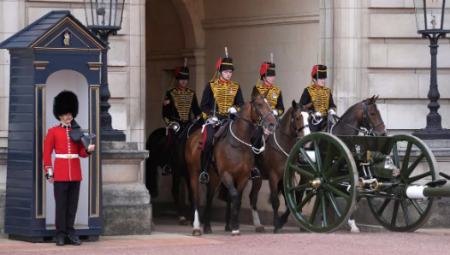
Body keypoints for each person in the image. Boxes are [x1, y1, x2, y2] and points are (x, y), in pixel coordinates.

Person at [43, 90, 95, 246]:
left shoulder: (76, 131)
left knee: (72, 206)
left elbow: (80, 152)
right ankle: (60, 234)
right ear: (60, 115)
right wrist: (49, 173)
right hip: (59, 173)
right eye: (65, 114)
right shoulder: (53, 131)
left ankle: (70, 233)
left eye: (70, 113)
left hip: (75, 173)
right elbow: (46, 154)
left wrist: (87, 150)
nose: (68, 116)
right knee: (61, 206)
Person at [199, 57, 245, 183]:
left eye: (230, 72)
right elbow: (203, 106)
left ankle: (249, 168)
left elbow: (241, 103)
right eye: (226, 72)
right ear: (220, 73)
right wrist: (210, 117)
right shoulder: (211, 85)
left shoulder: (236, 86)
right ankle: (203, 171)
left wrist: (235, 108)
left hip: (231, 120)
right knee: (208, 141)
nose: (228, 74)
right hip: (215, 120)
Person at [162, 65, 201, 175]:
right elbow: (165, 113)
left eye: (185, 80)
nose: (184, 82)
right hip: (176, 124)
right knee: (171, 141)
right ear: (177, 80)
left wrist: (198, 117)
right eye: (181, 80)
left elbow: (196, 109)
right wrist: (171, 124)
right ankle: (167, 164)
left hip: (188, 124)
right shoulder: (170, 93)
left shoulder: (191, 93)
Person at [249, 61, 285, 178]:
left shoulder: (277, 91)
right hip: (261, 122)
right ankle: (253, 165)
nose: (272, 78)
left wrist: (277, 112)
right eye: (270, 75)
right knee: (254, 138)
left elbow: (281, 108)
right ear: (264, 77)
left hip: (274, 121)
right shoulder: (257, 89)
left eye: (273, 75)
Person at [299, 64, 337, 133]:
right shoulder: (308, 91)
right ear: (314, 79)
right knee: (311, 136)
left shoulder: (327, 91)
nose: (323, 81)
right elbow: (302, 107)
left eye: (324, 78)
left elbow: (332, 105)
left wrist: (332, 110)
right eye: (320, 79)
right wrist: (311, 114)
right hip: (313, 121)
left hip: (325, 120)